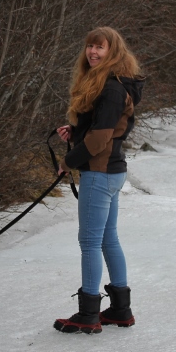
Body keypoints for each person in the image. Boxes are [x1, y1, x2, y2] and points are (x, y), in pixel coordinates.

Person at [53, 26, 144, 334]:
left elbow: (101, 138)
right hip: (112, 172)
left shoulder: (112, 88)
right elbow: (104, 129)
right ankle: (120, 309)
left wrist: (68, 160)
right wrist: (74, 132)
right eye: (90, 46)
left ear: (112, 52)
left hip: (100, 172)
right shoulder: (112, 83)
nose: (93, 52)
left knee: (90, 242)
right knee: (108, 239)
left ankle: (89, 313)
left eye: (100, 48)